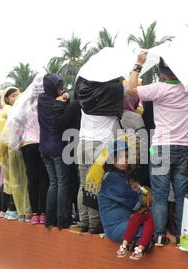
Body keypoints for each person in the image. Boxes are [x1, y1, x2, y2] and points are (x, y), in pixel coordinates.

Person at [127, 52, 188, 246]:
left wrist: (138, 64)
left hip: (161, 149)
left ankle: (159, 236)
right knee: (182, 196)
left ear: (160, 70)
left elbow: (131, 90)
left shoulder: (158, 89)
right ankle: (182, 236)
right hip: (184, 148)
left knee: (160, 195)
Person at [75, 76, 124, 234]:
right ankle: (95, 223)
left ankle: (84, 222)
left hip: (82, 143)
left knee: (84, 184)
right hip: (100, 145)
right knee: (96, 184)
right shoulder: (110, 99)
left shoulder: (85, 97)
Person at [98, 139, 154, 261]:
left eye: (127, 156)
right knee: (152, 229)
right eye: (120, 157)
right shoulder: (112, 178)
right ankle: (136, 247)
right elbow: (136, 202)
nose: (125, 160)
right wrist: (151, 199)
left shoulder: (120, 175)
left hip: (126, 222)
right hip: (116, 227)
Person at [10, 74, 49, 224]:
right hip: (42, 144)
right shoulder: (46, 103)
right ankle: (44, 212)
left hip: (27, 145)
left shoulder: (24, 104)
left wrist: (15, 142)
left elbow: (17, 125)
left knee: (32, 179)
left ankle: (34, 213)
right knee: (44, 179)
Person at [38, 74, 71, 229]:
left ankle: (49, 219)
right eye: (58, 87)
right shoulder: (56, 103)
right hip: (58, 146)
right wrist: (65, 101)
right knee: (62, 183)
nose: (61, 90)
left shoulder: (42, 100)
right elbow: (62, 119)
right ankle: (61, 219)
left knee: (53, 183)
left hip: (44, 147)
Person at [0, 87, 21, 221]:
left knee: (9, 181)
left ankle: (10, 209)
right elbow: (5, 133)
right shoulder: (9, 111)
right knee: (14, 180)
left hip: (7, 148)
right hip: (11, 148)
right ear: (6, 99)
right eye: (13, 96)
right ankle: (13, 208)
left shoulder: (8, 111)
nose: (16, 98)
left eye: (17, 95)